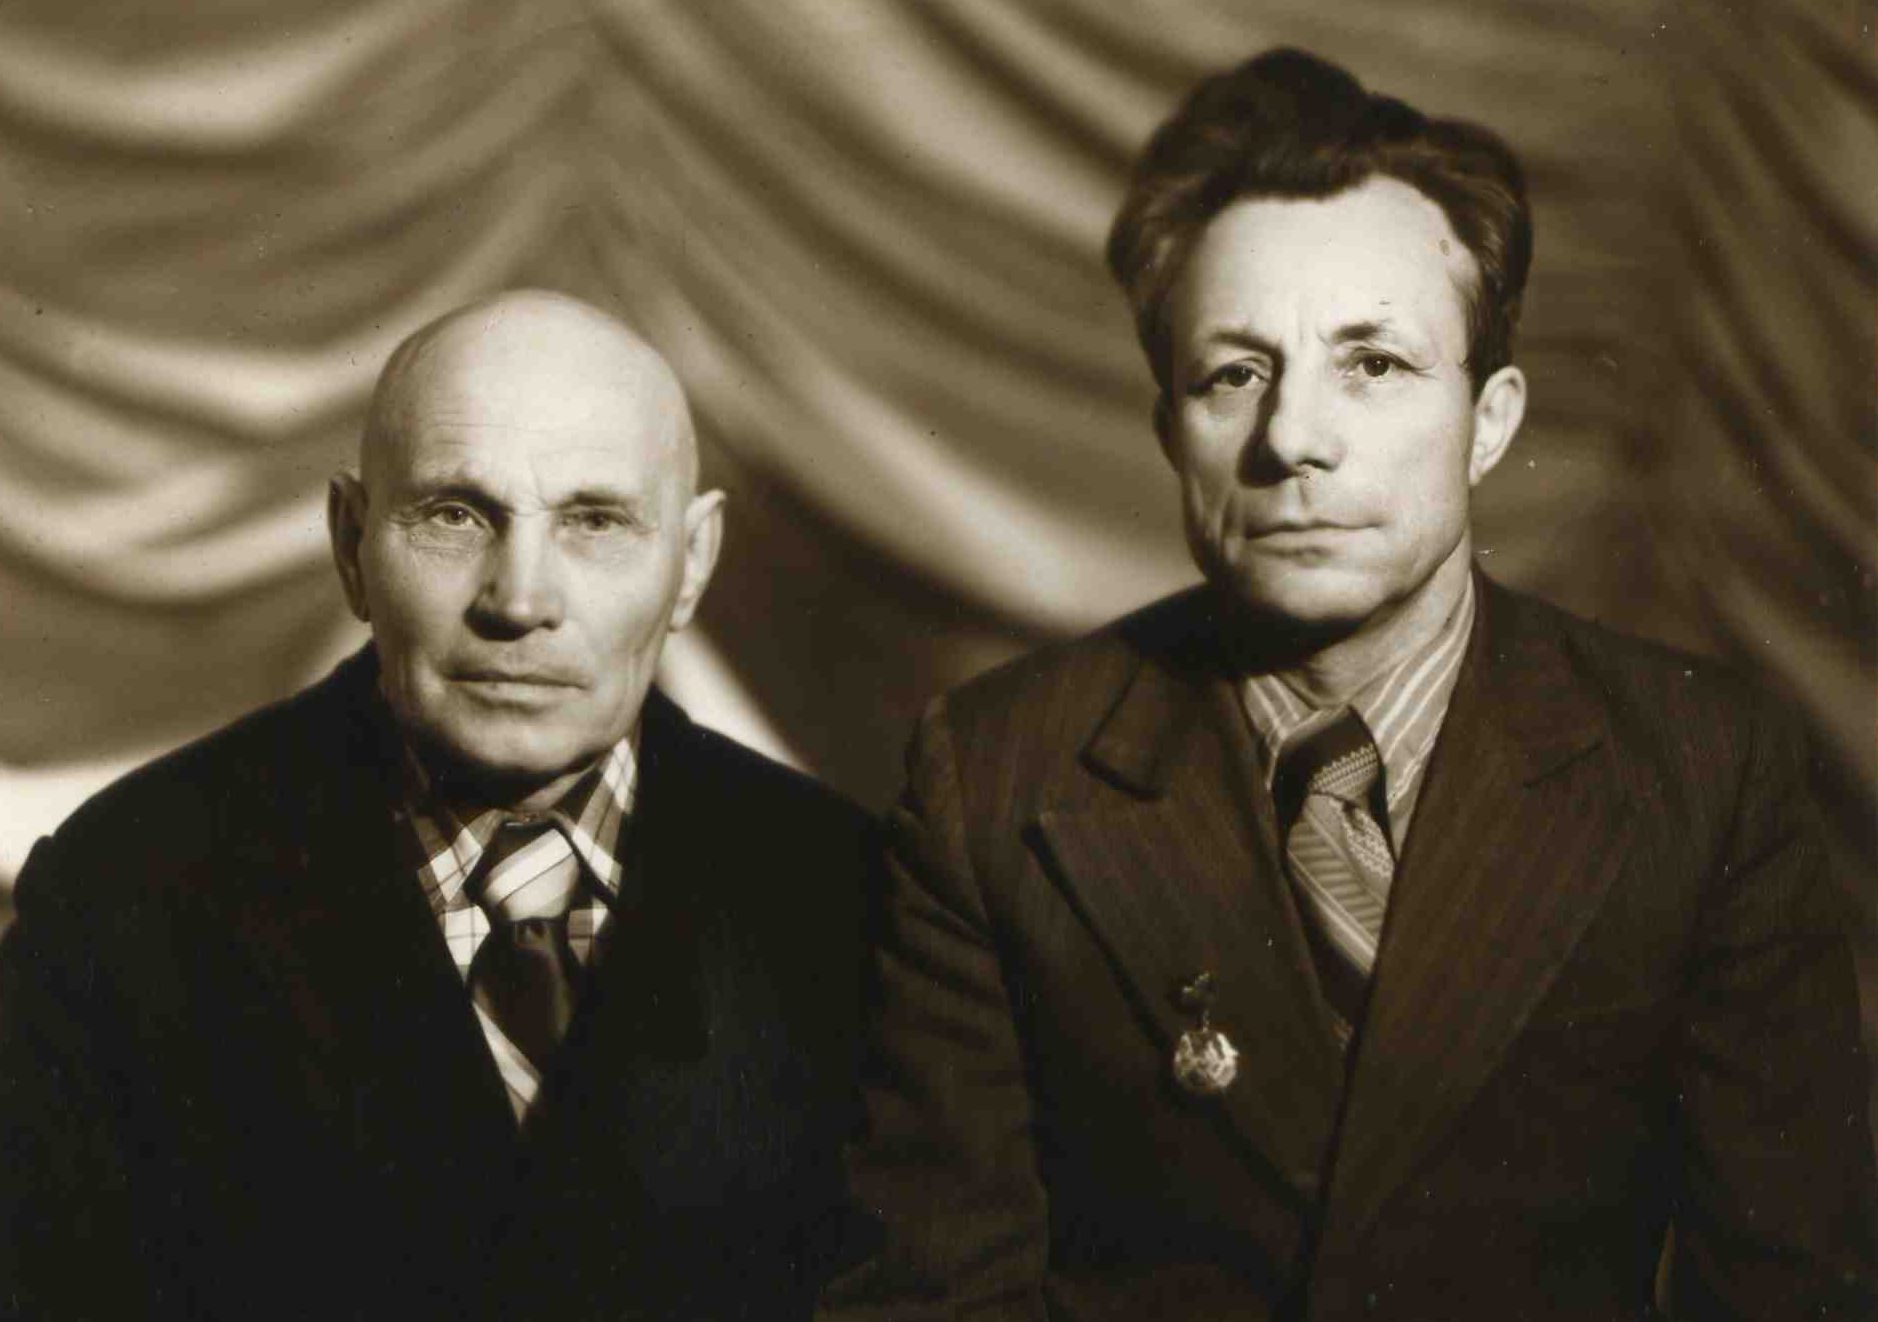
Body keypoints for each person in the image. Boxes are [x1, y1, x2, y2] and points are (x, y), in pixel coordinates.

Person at [820, 49, 1876, 1321]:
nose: (1292, 440)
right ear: (1169, 433)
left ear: (1490, 421)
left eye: (1372, 364)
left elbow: (1791, 1292)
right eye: (1234, 374)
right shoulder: (996, 773)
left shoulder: (1700, 766)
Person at [0, 290, 875, 1321]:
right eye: (456, 515)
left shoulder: (855, 901)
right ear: (351, 542)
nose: (520, 599)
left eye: (595, 522)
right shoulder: (122, 895)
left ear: (692, 565)